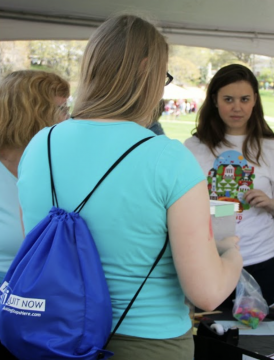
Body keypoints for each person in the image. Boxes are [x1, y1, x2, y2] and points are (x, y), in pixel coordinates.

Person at [16, 15, 242, 360]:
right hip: (146, 342)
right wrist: (232, 256)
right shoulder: (168, 157)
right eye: (163, 77)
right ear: (146, 70)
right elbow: (207, 293)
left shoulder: (39, 145)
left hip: (52, 337)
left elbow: (35, 244)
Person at [184, 64, 274, 307]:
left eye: (244, 99)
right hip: (207, 260)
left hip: (260, 259)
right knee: (210, 337)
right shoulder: (193, 148)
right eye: (228, 99)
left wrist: (271, 203)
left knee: (259, 339)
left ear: (255, 100)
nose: (237, 107)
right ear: (214, 100)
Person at [0, 70, 69, 282]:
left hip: (45, 293)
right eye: (61, 109)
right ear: (29, 114)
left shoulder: (62, 167)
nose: (69, 118)